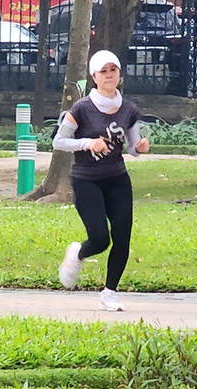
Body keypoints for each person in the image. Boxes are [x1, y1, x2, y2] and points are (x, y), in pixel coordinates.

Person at [54, 50, 150, 312]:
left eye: (113, 70)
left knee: (122, 237)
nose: (109, 75)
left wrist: (140, 147)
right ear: (94, 77)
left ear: (119, 74)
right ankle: (78, 254)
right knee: (99, 239)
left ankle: (109, 293)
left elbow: (132, 147)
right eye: (103, 72)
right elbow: (59, 142)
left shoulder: (129, 109)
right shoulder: (81, 109)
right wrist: (88, 143)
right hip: (87, 180)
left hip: (117, 179)